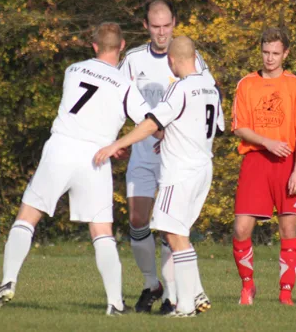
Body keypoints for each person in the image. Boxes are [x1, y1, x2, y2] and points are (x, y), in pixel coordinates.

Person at [0, 22, 150, 315]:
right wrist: (118, 144)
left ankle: (8, 280)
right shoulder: (125, 85)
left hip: (61, 147)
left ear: (94, 46)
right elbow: (148, 121)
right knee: (101, 231)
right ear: (122, 46)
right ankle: (114, 302)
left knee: (28, 215)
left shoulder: (73, 70)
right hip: (96, 156)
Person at [95, 36, 224, 317]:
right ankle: (193, 296)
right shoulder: (209, 87)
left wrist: (119, 144)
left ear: (172, 60)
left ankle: (188, 303)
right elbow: (215, 127)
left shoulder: (180, 88)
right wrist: (171, 137)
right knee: (178, 234)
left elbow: (152, 122)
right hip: (202, 168)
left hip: (180, 172)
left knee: (175, 236)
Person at [117, 0, 208, 314]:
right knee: (138, 220)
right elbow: (119, 101)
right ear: (145, 26)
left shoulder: (191, 59)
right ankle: (151, 283)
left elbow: (204, 102)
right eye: (155, 26)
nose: (161, 32)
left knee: (173, 229)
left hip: (176, 158)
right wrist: (117, 140)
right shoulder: (131, 60)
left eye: (166, 25)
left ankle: (173, 297)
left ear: (174, 23)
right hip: (143, 155)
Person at [231, 27, 296, 306]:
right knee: (241, 227)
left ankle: (286, 292)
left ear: (285, 54)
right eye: (266, 52)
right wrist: (267, 142)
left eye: (276, 53)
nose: (270, 58)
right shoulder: (246, 84)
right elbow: (239, 127)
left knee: (289, 228)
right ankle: (247, 286)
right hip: (256, 160)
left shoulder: (295, 85)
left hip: (286, 162)